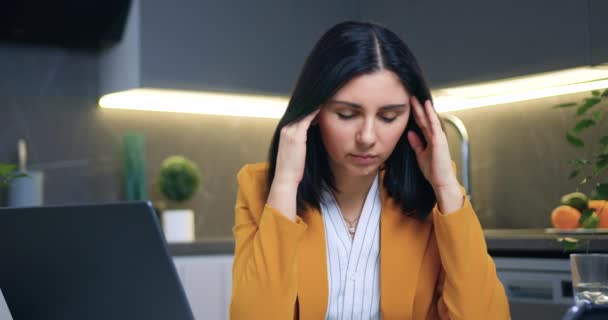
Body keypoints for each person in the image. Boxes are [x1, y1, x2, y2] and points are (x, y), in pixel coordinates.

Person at [230, 21, 510, 319]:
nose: (367, 137)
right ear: (313, 112)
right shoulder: (261, 189)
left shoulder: (435, 198)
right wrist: (285, 184)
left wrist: (445, 187)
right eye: (347, 114)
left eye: (389, 117)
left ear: (412, 118)